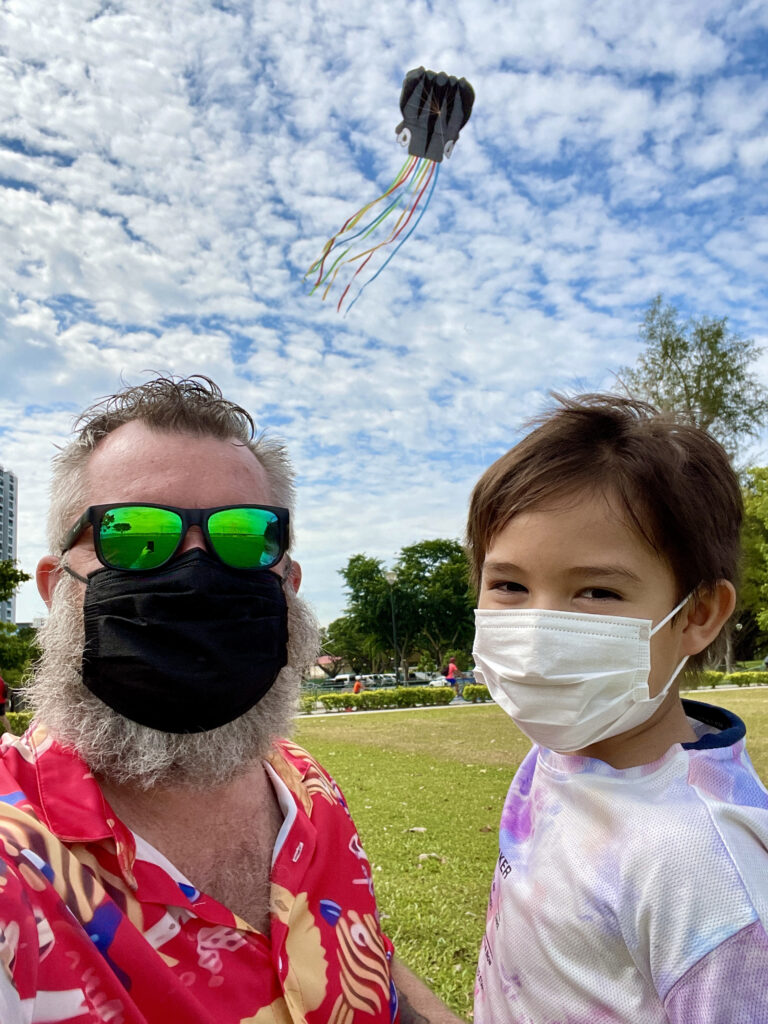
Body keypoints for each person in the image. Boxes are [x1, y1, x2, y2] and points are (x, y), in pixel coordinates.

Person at [0, 376, 462, 1024]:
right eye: (135, 536)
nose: (196, 574)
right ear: (56, 587)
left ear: (289, 586)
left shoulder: (309, 791)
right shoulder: (15, 860)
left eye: (244, 539)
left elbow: (369, 966)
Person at [467, 394, 768, 1023]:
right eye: (509, 586)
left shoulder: (704, 871)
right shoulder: (564, 748)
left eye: (597, 591)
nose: (539, 631)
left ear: (697, 615)